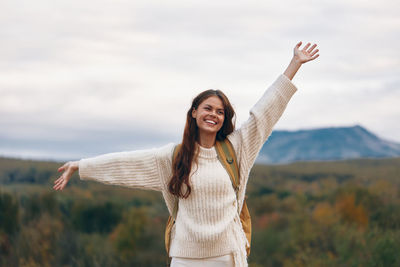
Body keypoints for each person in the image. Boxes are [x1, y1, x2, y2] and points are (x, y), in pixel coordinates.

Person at [53, 41, 319, 267]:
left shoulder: (236, 148)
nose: (213, 115)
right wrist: (81, 166)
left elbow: (265, 112)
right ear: (194, 112)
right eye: (208, 108)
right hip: (185, 258)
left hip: (228, 256)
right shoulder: (172, 157)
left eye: (220, 111)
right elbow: (127, 164)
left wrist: (294, 65)